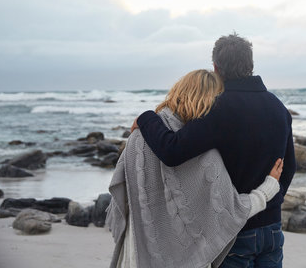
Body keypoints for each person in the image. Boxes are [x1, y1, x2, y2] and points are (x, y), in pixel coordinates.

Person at [132, 34, 296, 267]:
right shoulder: (279, 108)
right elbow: (289, 167)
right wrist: (272, 203)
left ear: (216, 68)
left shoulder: (220, 109)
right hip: (272, 230)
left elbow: (172, 151)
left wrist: (147, 118)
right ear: (251, 65)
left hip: (234, 233)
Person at [107, 69, 284, 268]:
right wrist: (267, 189)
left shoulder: (137, 138)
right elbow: (231, 212)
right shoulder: (206, 156)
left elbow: (120, 197)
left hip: (135, 255)